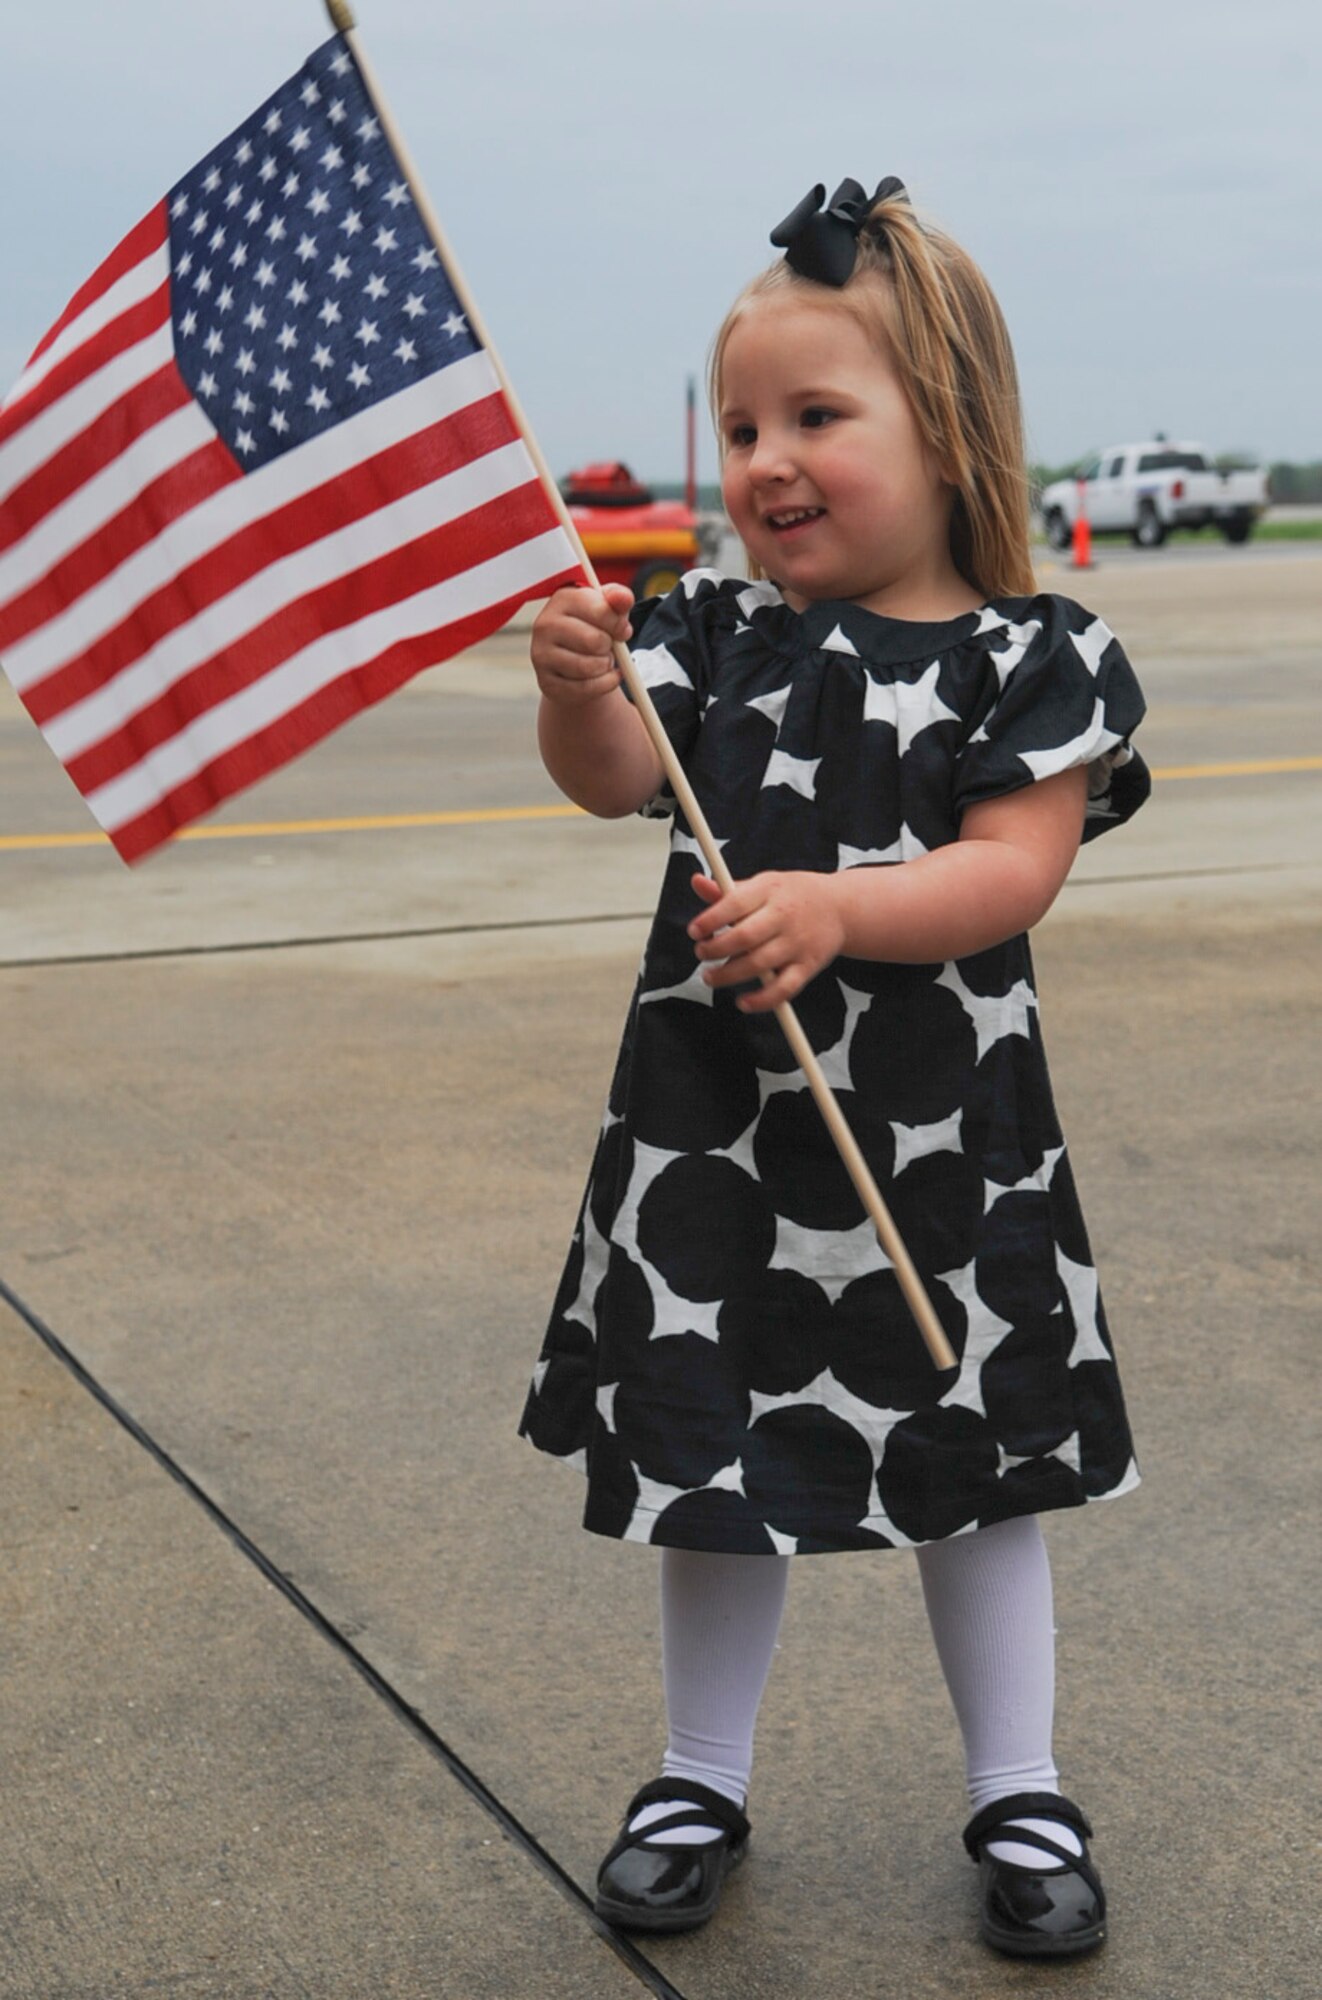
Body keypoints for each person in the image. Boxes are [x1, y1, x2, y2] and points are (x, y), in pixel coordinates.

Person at [519, 177, 1149, 1959]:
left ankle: (1015, 1783)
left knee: (977, 1458)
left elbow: (1010, 870)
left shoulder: (1034, 657)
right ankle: (694, 1772)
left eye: (815, 417)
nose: (763, 460)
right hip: (718, 1141)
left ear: (946, 429)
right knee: (713, 1463)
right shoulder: (714, 638)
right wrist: (577, 686)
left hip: (942, 1149)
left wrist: (837, 911)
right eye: (738, 427)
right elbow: (609, 776)